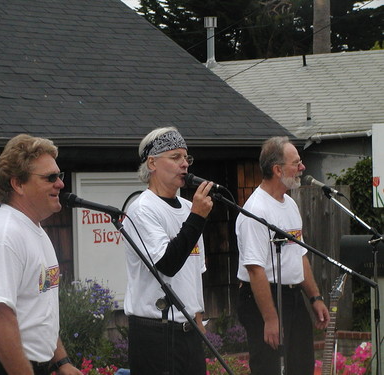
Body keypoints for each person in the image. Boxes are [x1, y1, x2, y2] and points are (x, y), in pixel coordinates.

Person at [0, 134, 82, 375]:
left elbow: (38, 310)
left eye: (60, 176)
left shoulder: (35, 230)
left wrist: (61, 362)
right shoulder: (3, 235)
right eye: (50, 177)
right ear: (18, 184)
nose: (61, 184)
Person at [122, 127, 214, 375]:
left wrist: (198, 320)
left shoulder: (189, 207)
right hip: (156, 333)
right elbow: (167, 264)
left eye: (186, 158)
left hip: (189, 331)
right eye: (175, 157)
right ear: (152, 163)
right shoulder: (142, 209)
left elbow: (194, 274)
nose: (184, 164)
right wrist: (196, 218)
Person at [235, 136, 330, 375]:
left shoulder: (289, 203)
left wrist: (315, 297)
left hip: (292, 296)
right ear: (277, 170)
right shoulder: (255, 210)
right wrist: (270, 318)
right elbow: (255, 269)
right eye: (296, 163)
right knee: (269, 367)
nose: (302, 167)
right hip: (262, 298)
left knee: (301, 364)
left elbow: (299, 255)